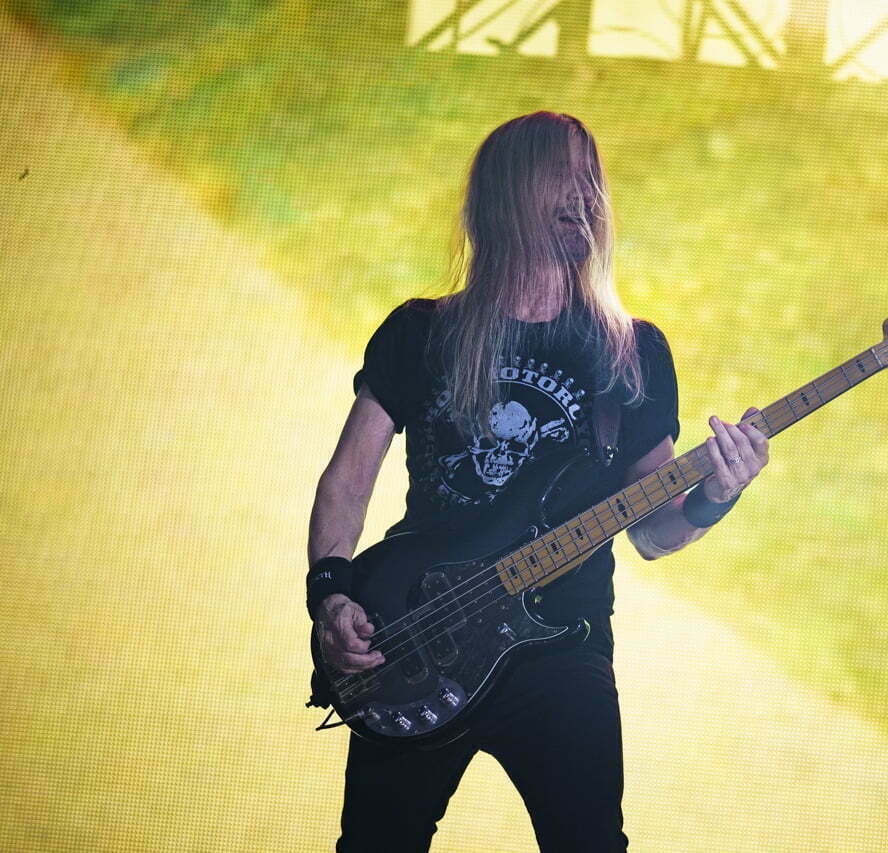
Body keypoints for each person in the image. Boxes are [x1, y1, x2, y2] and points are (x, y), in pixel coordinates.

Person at [306, 111, 770, 852]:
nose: (586, 195)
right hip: (422, 631)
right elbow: (346, 482)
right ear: (508, 190)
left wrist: (718, 495)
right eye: (563, 174)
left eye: (593, 178)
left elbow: (655, 532)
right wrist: (330, 596)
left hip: (563, 648)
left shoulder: (632, 352)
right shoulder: (422, 332)